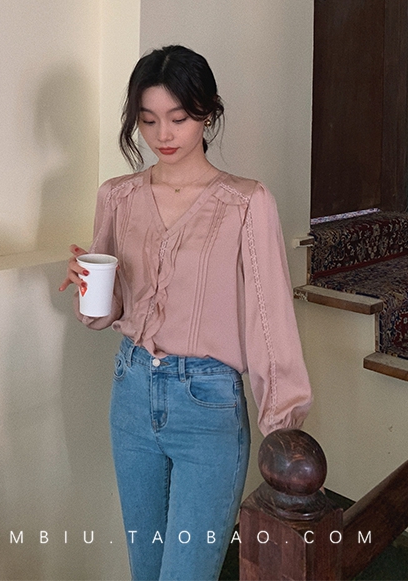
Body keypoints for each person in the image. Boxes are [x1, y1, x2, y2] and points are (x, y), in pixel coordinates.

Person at [59, 45, 312, 581]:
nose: (163, 135)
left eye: (178, 118)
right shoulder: (117, 197)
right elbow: (109, 312)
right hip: (131, 393)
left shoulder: (246, 202)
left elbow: (268, 319)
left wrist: (282, 422)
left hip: (208, 405)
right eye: (148, 120)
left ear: (208, 113)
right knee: (146, 570)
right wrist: (89, 288)